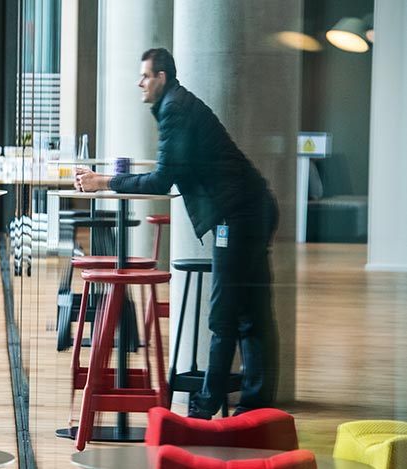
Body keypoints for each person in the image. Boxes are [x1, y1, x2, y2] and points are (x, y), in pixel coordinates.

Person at [75, 48, 279, 419]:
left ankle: (204, 409)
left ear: (162, 78)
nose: (140, 82)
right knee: (251, 315)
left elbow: (160, 179)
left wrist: (103, 181)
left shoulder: (176, 109)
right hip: (251, 208)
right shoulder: (178, 105)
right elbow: (172, 168)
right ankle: (254, 406)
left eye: (146, 76)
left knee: (225, 316)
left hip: (238, 215)